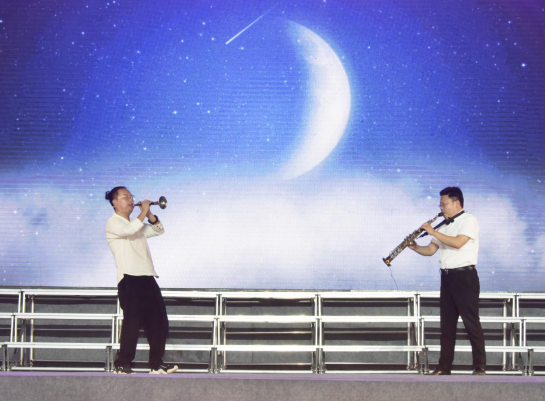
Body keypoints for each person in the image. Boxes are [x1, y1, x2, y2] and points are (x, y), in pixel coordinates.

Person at [409, 187, 486, 375]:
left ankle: (479, 366)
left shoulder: (469, 220)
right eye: (440, 205)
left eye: (443, 204)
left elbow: (458, 242)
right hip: (447, 277)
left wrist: (433, 231)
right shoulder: (443, 225)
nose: (441, 208)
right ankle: (444, 366)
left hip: (464, 277)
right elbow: (430, 250)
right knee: (447, 325)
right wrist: (415, 247)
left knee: (470, 322)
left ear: (456, 203)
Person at [105, 186, 178, 375]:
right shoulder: (113, 223)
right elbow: (129, 230)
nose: (131, 200)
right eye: (125, 197)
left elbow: (158, 229)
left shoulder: (135, 224)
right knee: (133, 322)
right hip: (129, 279)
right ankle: (122, 363)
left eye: (131, 196)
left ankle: (156, 364)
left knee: (159, 321)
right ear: (115, 202)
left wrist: (149, 213)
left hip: (147, 278)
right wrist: (143, 211)